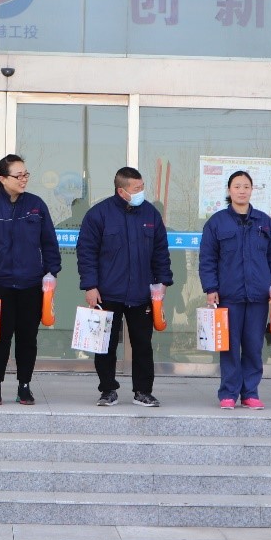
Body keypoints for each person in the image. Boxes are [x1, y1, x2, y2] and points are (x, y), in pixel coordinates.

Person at [76, 166, 173, 407]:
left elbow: (161, 252)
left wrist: (162, 282)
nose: (141, 192)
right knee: (105, 345)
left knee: (143, 344)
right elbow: (86, 253)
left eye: (142, 187)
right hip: (107, 292)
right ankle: (108, 390)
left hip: (142, 293)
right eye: (136, 188)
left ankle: (143, 391)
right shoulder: (98, 214)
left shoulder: (150, 214)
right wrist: (90, 286)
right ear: (122, 191)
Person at [0, 154, 62, 405]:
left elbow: (49, 242)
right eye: (18, 175)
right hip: (0, 284)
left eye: (26, 174)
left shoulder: (36, 205)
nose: (23, 179)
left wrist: (51, 272)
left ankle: (24, 385)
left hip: (31, 284)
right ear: (3, 179)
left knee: (27, 338)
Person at [198, 170, 271, 410]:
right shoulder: (217, 222)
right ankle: (228, 393)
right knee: (228, 346)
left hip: (258, 296)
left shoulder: (265, 222)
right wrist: (210, 288)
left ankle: (250, 393)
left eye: (246, 186)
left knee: (254, 346)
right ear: (229, 190)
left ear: (252, 190)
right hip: (229, 296)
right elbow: (207, 258)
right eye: (237, 186)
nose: (242, 191)